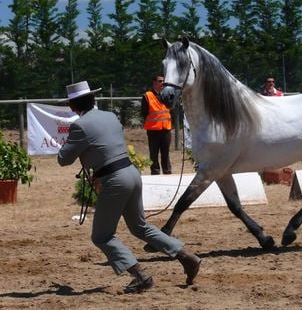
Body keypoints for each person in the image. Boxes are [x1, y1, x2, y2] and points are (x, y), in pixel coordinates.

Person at [58, 81, 201, 293]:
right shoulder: (110, 116)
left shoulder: (79, 126)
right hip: (132, 173)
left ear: (72, 106)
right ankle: (186, 257)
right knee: (140, 227)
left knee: (102, 236)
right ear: (93, 99)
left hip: (113, 180)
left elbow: (64, 159)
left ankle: (140, 276)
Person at [141, 75, 172, 175]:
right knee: (153, 153)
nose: (162, 83)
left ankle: (167, 171)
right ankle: (155, 172)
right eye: (160, 81)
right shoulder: (147, 96)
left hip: (166, 129)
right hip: (153, 130)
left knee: (166, 153)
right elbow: (144, 113)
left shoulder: (167, 95)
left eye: (163, 81)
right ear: (154, 83)